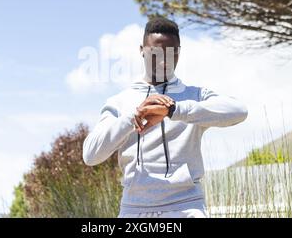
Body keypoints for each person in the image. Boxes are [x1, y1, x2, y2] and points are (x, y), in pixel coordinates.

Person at [83, 17, 248, 218]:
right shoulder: (120, 102)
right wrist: (133, 117)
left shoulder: (195, 96)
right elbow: (91, 156)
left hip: (186, 207)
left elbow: (239, 111)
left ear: (179, 52)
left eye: (171, 53)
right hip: (134, 209)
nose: (163, 61)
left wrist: (175, 110)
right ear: (142, 50)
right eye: (155, 53)